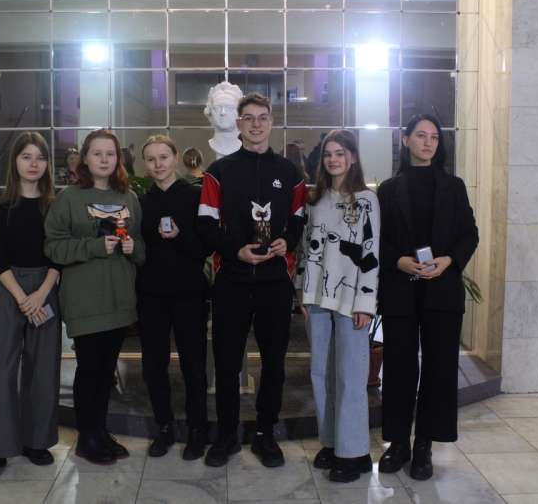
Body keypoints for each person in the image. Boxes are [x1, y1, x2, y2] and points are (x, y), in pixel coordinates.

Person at [198, 92, 306, 468]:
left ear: (271, 123)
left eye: (262, 118)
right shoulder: (218, 172)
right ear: (239, 124)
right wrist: (235, 251)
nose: (256, 124)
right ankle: (227, 435)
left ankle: (265, 435)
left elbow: (298, 219)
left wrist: (286, 241)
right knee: (227, 364)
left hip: (275, 283)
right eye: (249, 118)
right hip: (232, 280)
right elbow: (206, 225)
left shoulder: (290, 173)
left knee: (274, 364)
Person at [375, 114, 478, 481]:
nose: (428, 142)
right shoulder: (388, 189)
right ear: (405, 141)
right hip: (401, 289)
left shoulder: (454, 186)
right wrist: (399, 261)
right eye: (420, 135)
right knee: (399, 368)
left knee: (439, 368)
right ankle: (398, 443)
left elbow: (469, 234)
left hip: (442, 289)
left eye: (434, 136)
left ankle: (424, 445)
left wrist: (448, 261)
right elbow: (377, 240)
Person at [44, 129, 145, 465]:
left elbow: (142, 248)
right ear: (85, 158)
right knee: (89, 370)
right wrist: (94, 246)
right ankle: (86, 438)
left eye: (110, 153)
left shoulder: (129, 198)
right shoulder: (69, 199)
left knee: (106, 373)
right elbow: (54, 247)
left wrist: (133, 248)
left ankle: (99, 432)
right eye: (97, 153)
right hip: (85, 300)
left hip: (119, 300)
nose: (104, 159)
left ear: (118, 159)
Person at [298, 129, 380, 483]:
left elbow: (371, 253)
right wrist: (302, 291)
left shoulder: (366, 200)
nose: (333, 159)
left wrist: (366, 302)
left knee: (350, 375)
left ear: (353, 157)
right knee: (321, 372)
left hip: (351, 301)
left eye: (340, 153)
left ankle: (354, 452)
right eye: (328, 154)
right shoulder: (314, 200)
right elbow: (305, 248)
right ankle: (332, 442)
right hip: (316, 298)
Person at [0, 132, 61, 481]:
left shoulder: (55, 207)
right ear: (14, 162)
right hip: (9, 290)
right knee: (3, 370)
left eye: (40, 157)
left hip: (46, 288)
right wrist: (23, 299)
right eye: (26, 156)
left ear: (47, 164)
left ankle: (36, 442)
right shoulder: (0, 209)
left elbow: (59, 254)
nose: (33, 164)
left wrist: (41, 294)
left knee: (43, 370)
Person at [137, 135, 210, 460]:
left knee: (194, 365)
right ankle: (164, 427)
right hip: (151, 294)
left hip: (189, 293)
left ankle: (197, 430)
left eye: (163, 157)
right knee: (154, 365)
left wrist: (181, 237)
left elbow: (204, 247)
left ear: (176, 157)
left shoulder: (195, 195)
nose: (158, 164)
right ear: (145, 164)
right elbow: (139, 249)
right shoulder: (141, 202)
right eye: (151, 159)